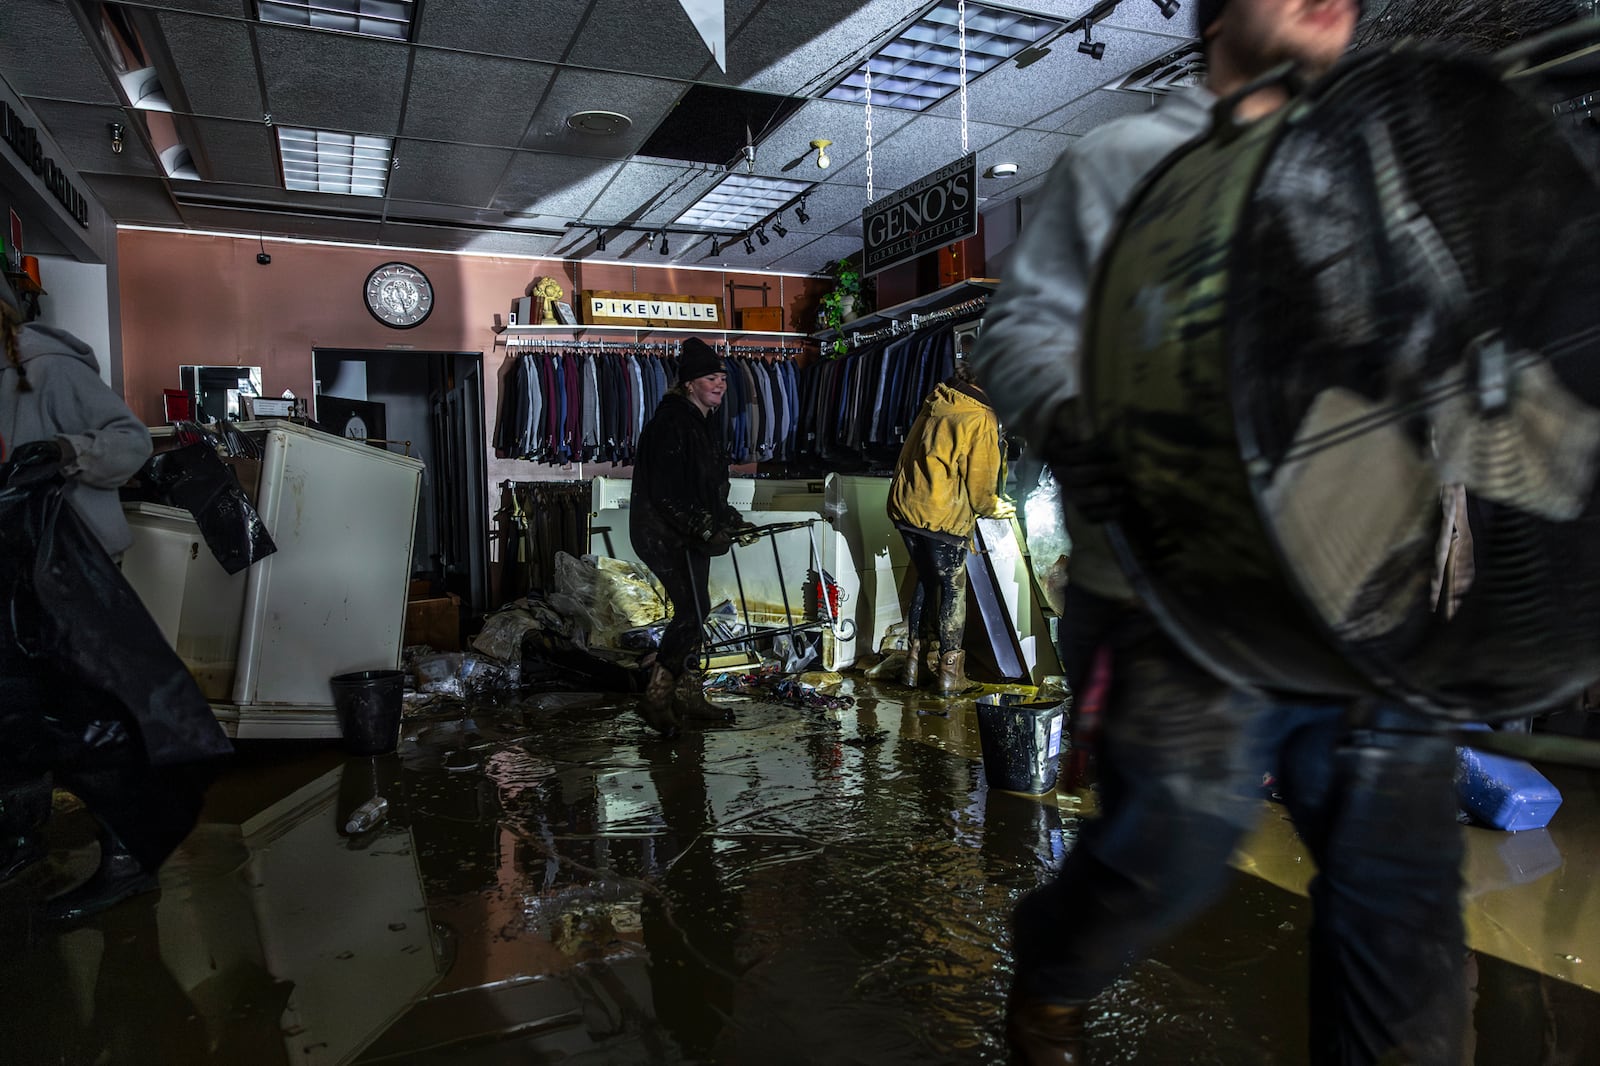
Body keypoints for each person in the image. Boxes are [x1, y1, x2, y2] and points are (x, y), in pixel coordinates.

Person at [973, 2, 1467, 1064]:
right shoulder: (1126, 158)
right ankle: (1054, 960)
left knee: (1403, 913)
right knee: (1175, 850)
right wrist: (1069, 414)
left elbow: (1448, 336)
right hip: (1179, 605)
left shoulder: (1366, 171)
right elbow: (1017, 330)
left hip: (1361, 606)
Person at [1, 272, 225, 921]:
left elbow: (126, 442)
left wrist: (68, 450)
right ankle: (21, 838)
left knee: (96, 712)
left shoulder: (48, 372)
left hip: (73, 566)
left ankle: (128, 855)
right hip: (15, 567)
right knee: (29, 709)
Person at [629, 337, 757, 736]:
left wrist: (729, 519)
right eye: (710, 378)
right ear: (688, 383)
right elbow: (667, 493)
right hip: (660, 532)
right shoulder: (670, 423)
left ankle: (689, 696)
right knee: (692, 610)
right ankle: (656, 697)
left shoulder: (703, 422)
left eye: (721, 377)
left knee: (696, 611)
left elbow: (707, 487)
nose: (720, 384)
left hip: (688, 534)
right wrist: (705, 525)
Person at [885, 360, 1014, 694]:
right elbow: (981, 484)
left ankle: (914, 665)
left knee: (927, 581)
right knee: (953, 588)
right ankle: (950, 675)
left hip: (907, 507)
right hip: (941, 515)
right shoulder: (981, 416)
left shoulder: (939, 400)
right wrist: (995, 507)